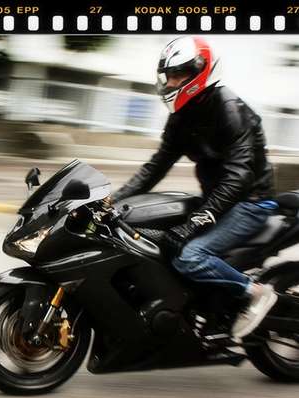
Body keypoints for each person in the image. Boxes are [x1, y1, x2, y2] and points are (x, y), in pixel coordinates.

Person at [111, 36, 278, 341]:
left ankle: (255, 292)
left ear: (200, 72)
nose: (172, 82)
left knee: (190, 256)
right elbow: (157, 165)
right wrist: (113, 200)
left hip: (251, 202)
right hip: (218, 199)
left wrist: (196, 221)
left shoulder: (230, 110)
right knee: (151, 237)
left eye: (179, 74)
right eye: (169, 76)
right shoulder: (181, 117)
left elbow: (239, 176)